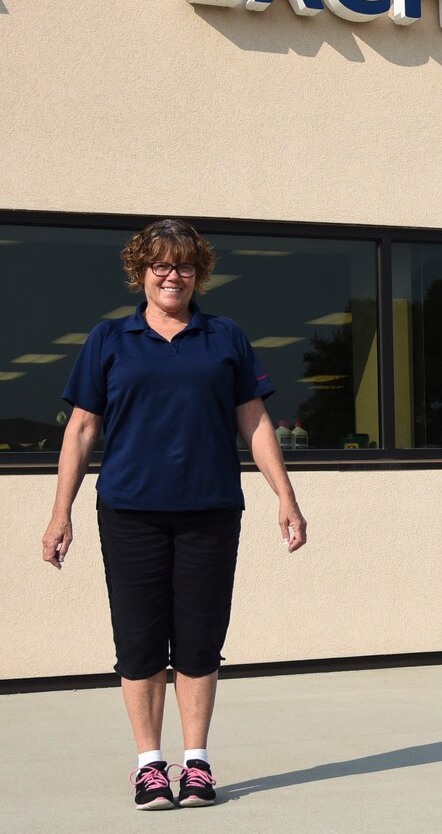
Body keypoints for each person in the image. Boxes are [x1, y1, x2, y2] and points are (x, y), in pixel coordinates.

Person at [41, 218, 307, 810]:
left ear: (199, 274)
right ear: (140, 272)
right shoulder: (110, 340)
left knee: (199, 641)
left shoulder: (225, 337)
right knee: (138, 641)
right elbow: (82, 429)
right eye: (159, 264)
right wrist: (61, 514)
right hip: (130, 511)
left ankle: (196, 762)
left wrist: (284, 496)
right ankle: (149, 765)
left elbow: (255, 420)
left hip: (209, 509)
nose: (172, 274)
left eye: (184, 264)